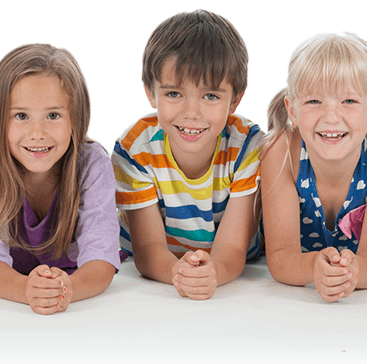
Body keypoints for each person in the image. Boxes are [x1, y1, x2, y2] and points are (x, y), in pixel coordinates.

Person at [259, 31, 367, 302]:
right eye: (314, 101)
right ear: (292, 110)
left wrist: (352, 273)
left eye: (348, 101)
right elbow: (281, 258)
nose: (331, 117)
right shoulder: (279, 151)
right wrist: (314, 268)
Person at [0, 42, 121, 315]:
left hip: (70, 279)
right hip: (10, 286)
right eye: (21, 116)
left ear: (76, 119)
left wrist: (67, 290)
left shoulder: (91, 163)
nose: (37, 132)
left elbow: (101, 256)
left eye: (53, 115)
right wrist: (26, 291)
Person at [111, 8, 263, 300]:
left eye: (210, 96)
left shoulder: (248, 145)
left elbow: (232, 248)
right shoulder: (134, 149)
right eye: (173, 94)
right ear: (150, 93)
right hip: (158, 266)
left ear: (236, 100)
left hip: (233, 264)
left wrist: (213, 273)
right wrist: (177, 273)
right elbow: (148, 248)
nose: (191, 113)